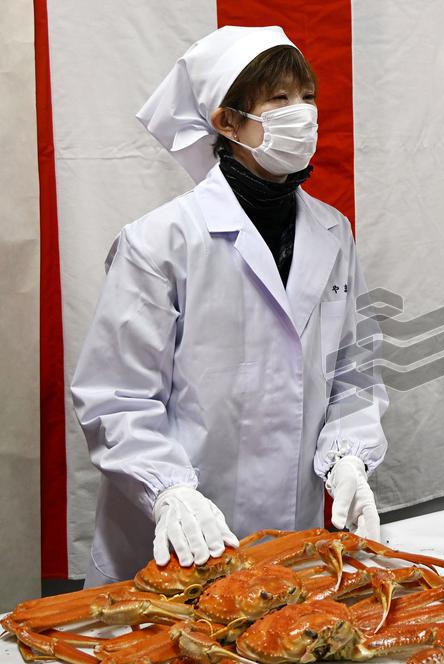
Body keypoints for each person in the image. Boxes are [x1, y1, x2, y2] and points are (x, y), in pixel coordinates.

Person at [71, 26, 388, 586]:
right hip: (174, 540)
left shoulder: (332, 232)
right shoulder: (159, 241)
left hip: (287, 539)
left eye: (308, 97)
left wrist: (348, 456)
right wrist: (167, 490)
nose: (303, 114)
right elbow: (116, 397)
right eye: (279, 100)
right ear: (227, 121)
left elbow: (353, 372)